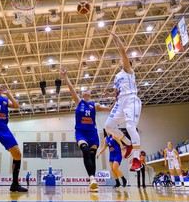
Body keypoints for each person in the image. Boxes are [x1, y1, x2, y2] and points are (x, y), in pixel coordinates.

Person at [60, 67, 114, 191]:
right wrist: (65, 76)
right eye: (84, 90)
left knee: (92, 155)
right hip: (81, 133)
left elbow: (109, 109)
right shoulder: (79, 102)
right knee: (85, 150)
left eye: (88, 90)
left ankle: (92, 181)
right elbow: (71, 89)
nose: (86, 91)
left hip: (93, 134)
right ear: (83, 94)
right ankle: (92, 178)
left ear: (90, 94)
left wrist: (116, 99)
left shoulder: (94, 105)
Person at [103, 31, 142, 171]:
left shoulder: (128, 70)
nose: (121, 61)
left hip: (131, 100)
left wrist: (117, 38)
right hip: (121, 102)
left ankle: (137, 159)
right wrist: (109, 95)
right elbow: (116, 93)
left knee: (131, 127)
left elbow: (123, 51)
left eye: (123, 60)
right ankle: (127, 143)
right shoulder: (117, 76)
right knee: (108, 126)